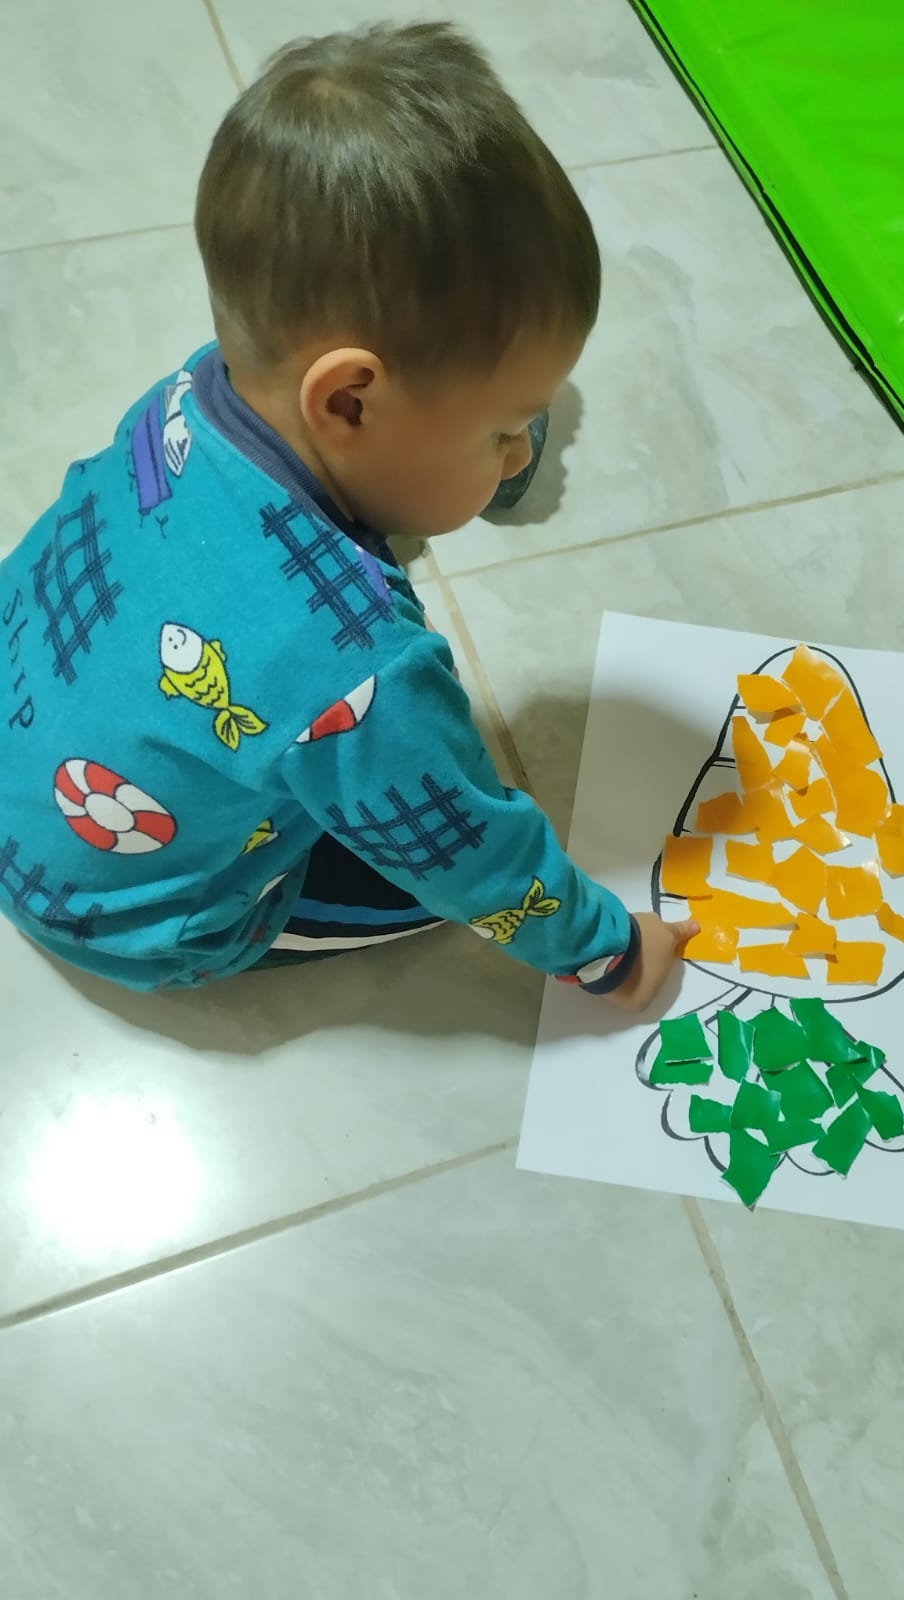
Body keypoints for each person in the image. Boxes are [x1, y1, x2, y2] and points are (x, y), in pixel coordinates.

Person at [0, 23, 696, 1006]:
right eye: (505, 430)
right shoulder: (364, 675)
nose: (519, 457)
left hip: (24, 746)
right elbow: (473, 857)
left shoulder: (183, 399)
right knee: (426, 869)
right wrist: (608, 950)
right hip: (128, 913)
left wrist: (475, 426)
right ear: (350, 403)